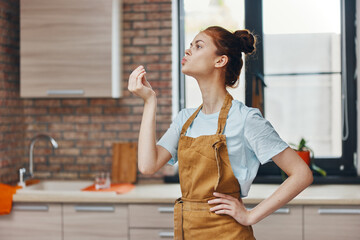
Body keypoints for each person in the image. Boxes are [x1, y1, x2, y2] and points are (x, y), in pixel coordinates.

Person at [128, 26, 313, 240]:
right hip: (188, 231)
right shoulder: (185, 120)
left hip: (229, 234)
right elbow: (147, 165)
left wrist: (250, 216)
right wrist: (149, 102)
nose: (188, 51)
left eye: (198, 46)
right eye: (190, 46)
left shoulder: (246, 119)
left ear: (220, 61)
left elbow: (302, 174)